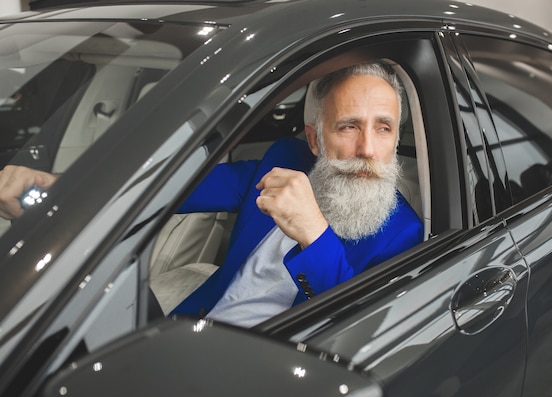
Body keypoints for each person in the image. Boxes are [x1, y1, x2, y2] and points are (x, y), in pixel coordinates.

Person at [0, 61, 424, 328]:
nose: (368, 149)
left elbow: (356, 325)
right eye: (349, 126)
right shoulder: (283, 161)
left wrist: (315, 233)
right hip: (193, 327)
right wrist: (60, 186)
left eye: (383, 127)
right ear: (315, 139)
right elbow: (172, 188)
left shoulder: (403, 230)